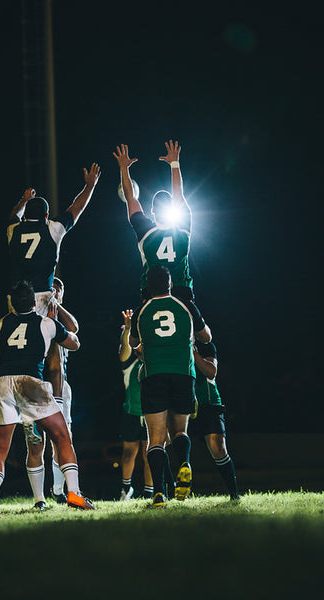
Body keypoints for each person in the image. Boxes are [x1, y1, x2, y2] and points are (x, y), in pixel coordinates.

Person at [0, 280, 96, 514]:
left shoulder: (1, 324)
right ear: (35, 302)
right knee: (63, 437)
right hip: (30, 384)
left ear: (12, 304)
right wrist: (55, 327)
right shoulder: (45, 324)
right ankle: (74, 493)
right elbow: (75, 343)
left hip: (2, 385)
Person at [129, 265, 211, 508]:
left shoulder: (141, 311)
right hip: (183, 374)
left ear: (148, 287)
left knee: (155, 438)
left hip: (153, 375)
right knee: (180, 431)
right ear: (170, 284)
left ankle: (158, 493)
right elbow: (206, 337)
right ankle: (184, 462)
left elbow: (134, 343)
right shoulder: (185, 306)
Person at [7, 162, 100, 315]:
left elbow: (13, 216)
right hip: (41, 296)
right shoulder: (52, 228)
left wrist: (24, 200)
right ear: (46, 216)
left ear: (25, 215)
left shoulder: (13, 230)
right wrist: (90, 186)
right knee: (47, 336)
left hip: (16, 298)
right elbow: (77, 207)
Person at [113, 140, 194, 303]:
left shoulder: (145, 231)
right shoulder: (182, 228)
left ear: (152, 210)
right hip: (180, 290)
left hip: (152, 294)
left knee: (143, 326)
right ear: (173, 208)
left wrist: (124, 168)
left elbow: (130, 198)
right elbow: (179, 195)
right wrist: (174, 164)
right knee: (192, 327)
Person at [24, 277, 79, 508]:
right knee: (36, 443)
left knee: (63, 439)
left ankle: (58, 489)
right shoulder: (34, 318)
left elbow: (74, 328)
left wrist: (56, 303)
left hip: (60, 387)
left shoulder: (59, 316)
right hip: (36, 384)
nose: (54, 292)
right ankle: (39, 499)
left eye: (58, 289)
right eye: (50, 289)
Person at [189, 340, 240, 500]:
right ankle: (162, 494)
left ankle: (234, 494)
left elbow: (211, 372)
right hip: (182, 404)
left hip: (208, 404)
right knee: (166, 442)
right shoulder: (173, 344)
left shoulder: (205, 346)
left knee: (217, 447)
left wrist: (194, 353)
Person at [118, 309, 153, 500]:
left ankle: (149, 492)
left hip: (151, 414)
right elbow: (124, 349)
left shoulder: (153, 362)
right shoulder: (129, 364)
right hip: (131, 414)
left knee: (150, 454)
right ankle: (126, 489)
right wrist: (127, 329)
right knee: (129, 452)